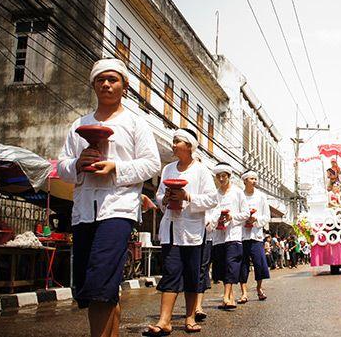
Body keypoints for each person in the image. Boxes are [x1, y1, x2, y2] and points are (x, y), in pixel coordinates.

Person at [58, 58, 161, 337]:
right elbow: (61, 166)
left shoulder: (135, 124)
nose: (106, 84)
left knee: (100, 281)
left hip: (118, 208)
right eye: (100, 80)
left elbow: (152, 164)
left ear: (124, 86)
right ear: (93, 85)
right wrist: (78, 164)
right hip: (83, 211)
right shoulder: (79, 125)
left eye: (112, 79)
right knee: (94, 285)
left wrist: (117, 168)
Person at [145, 128, 217, 336]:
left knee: (192, 273)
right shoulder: (167, 169)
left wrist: (188, 197)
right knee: (170, 271)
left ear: (189, 146)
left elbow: (212, 199)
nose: (173, 144)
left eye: (178, 141)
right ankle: (164, 320)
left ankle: (190, 317)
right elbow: (159, 196)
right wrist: (166, 199)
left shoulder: (201, 171)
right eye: (173, 141)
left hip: (193, 231)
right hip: (170, 229)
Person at [210, 162, 249, 310]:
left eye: (223, 176)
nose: (221, 179)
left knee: (231, 263)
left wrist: (232, 217)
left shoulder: (238, 192)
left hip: (233, 234)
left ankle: (226, 296)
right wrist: (216, 219)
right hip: (219, 236)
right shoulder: (214, 194)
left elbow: (245, 213)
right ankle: (230, 298)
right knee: (222, 266)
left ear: (229, 176)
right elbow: (211, 213)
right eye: (218, 176)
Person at [238, 170, 271, 303]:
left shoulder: (261, 196)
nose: (254, 181)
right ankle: (244, 292)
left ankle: (259, 288)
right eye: (251, 178)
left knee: (259, 263)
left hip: (256, 236)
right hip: (241, 235)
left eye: (255, 178)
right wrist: (244, 219)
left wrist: (255, 220)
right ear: (245, 181)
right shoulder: (239, 195)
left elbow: (266, 216)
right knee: (243, 265)